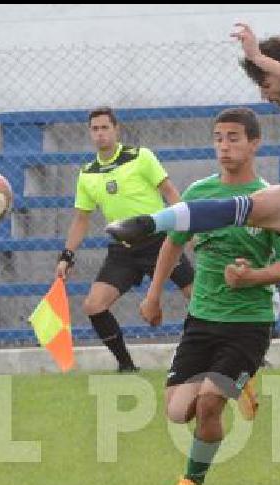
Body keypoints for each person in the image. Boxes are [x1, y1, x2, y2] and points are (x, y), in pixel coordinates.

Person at [106, 23, 280, 475]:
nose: (264, 95)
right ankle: (149, 223)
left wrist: (258, 57)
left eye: (265, 84)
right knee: (247, 207)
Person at [140, 108, 280, 485]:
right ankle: (238, 384)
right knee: (178, 412)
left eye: (233, 138)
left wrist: (250, 278)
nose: (224, 146)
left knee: (210, 402)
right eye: (218, 138)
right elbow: (172, 245)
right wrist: (154, 294)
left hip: (249, 323)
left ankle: (192, 480)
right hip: (202, 319)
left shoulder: (271, 201)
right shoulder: (198, 194)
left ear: (254, 143)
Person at [56, 107, 194, 372]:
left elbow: (170, 192)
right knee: (93, 306)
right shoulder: (87, 173)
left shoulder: (140, 157)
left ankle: (217, 355)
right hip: (123, 250)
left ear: (116, 129)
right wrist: (66, 256)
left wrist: (188, 227)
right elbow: (81, 219)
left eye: (104, 127)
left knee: (199, 297)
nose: (99, 134)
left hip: (159, 243)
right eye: (94, 129)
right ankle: (126, 366)